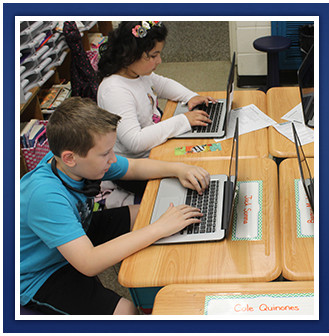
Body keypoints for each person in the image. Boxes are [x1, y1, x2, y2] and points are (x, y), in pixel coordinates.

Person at [20, 97, 210, 315]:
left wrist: (179, 169)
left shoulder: (76, 163)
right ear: (70, 158)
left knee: (147, 213)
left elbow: (134, 167)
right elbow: (89, 262)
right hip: (42, 272)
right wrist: (158, 228)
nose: (112, 159)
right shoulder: (45, 196)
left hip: (78, 227)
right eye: (105, 154)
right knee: (126, 311)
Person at [97, 21, 217, 159]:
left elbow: (163, 84)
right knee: (206, 155)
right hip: (137, 164)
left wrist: (190, 96)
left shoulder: (137, 73)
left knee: (211, 148)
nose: (159, 61)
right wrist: (183, 121)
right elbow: (135, 142)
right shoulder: (114, 91)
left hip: (154, 146)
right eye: (153, 56)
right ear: (129, 54)